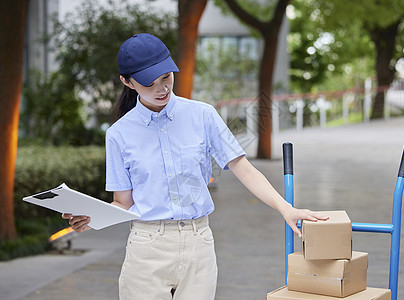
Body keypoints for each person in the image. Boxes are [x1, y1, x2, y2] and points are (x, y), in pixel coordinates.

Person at [63, 33, 328, 300]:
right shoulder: (119, 134)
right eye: (149, 83)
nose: (162, 89)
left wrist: (286, 208)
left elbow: (243, 168)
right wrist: (92, 218)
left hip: (198, 243)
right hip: (146, 249)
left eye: (166, 77)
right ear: (126, 82)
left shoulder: (202, 115)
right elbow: (123, 203)